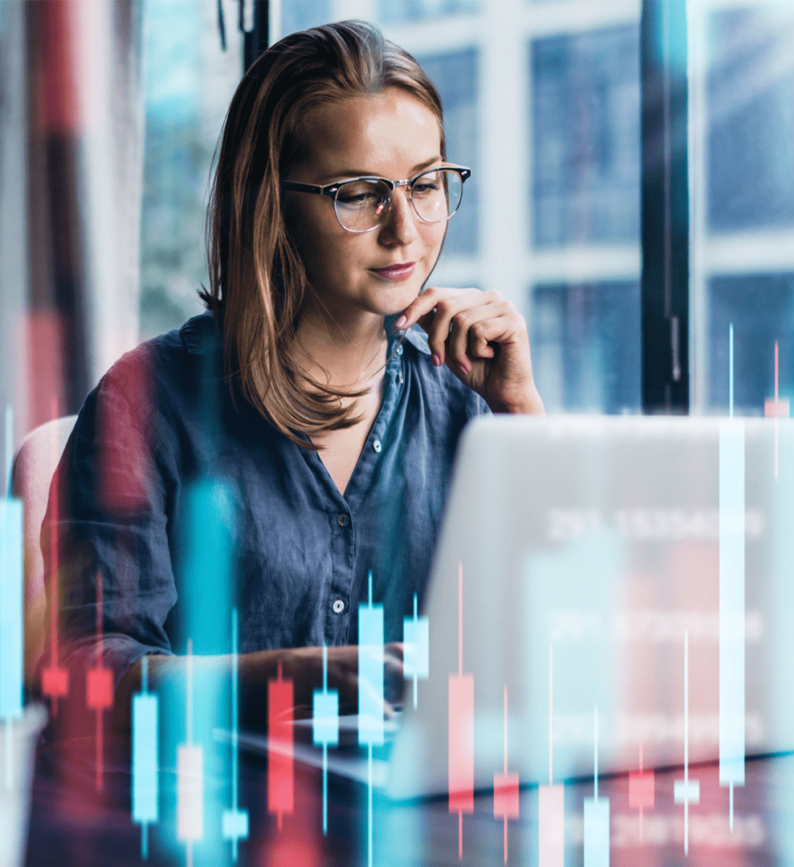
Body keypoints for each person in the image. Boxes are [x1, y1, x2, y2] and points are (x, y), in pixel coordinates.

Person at [40, 20, 543, 737]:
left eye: (426, 184)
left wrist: (521, 413)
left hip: (413, 800)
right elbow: (85, 674)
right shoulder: (146, 402)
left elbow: (560, 644)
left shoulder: (467, 401)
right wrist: (284, 681)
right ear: (269, 203)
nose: (405, 229)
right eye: (359, 193)